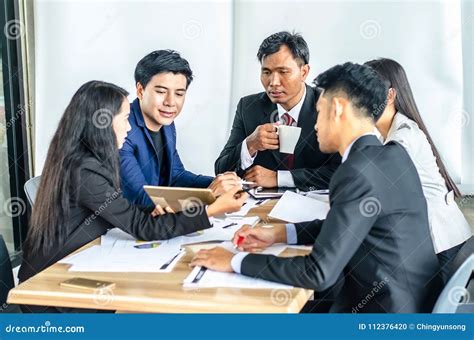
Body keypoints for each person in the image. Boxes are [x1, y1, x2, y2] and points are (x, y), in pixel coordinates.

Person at [191, 62, 443, 313]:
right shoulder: (392, 154)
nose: (315, 125)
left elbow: (317, 272)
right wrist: (278, 234)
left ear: (337, 109)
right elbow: (345, 226)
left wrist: (234, 260)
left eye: (320, 112)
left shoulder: (355, 173)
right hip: (412, 301)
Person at [18, 80, 247, 312]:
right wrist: (212, 210)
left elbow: (124, 210)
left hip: (77, 266)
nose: (129, 129)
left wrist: (151, 211)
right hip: (50, 291)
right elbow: (141, 227)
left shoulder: (89, 160)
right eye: (125, 119)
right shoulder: (84, 171)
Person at [365, 58, 472, 283]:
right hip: (433, 245)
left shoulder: (404, 136)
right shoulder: (386, 134)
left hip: (443, 248)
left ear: (390, 95)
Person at [214, 31, 340, 191]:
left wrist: (279, 178)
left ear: (304, 72)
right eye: (266, 72)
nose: (273, 82)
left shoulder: (329, 104)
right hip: (261, 210)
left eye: (283, 72)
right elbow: (221, 171)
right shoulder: (248, 107)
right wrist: (250, 145)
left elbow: (343, 172)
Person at [120, 50, 241, 208]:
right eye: (161, 92)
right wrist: (210, 195)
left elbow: (176, 176)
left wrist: (219, 183)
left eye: (179, 94)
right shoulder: (121, 128)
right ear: (140, 90)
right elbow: (141, 197)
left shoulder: (167, 124)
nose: (171, 102)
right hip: (121, 228)